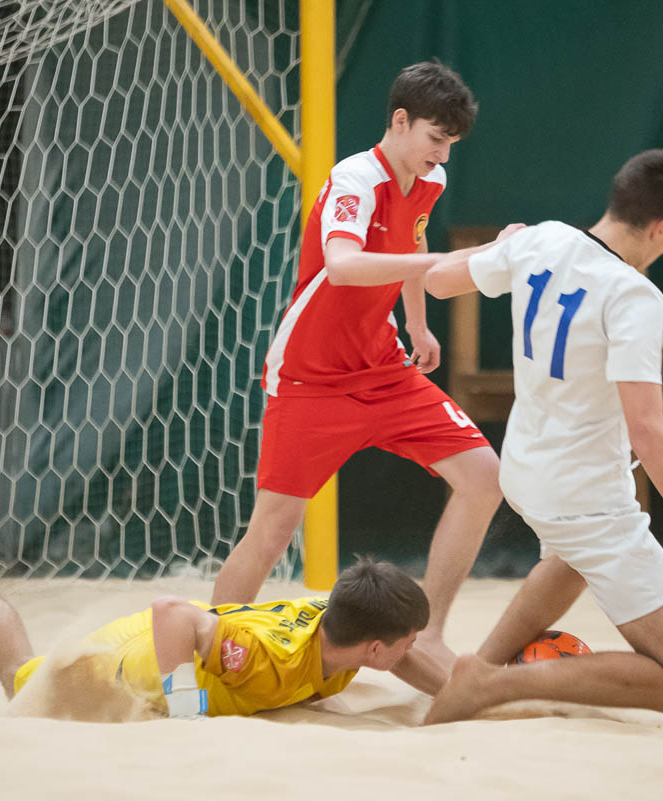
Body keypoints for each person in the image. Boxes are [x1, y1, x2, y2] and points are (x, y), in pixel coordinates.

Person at [420, 149, 663, 724]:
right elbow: (647, 429)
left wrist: (500, 247)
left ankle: (481, 668)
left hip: (524, 469)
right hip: (584, 496)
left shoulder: (541, 238)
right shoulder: (633, 296)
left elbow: (437, 281)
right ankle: (494, 684)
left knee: (570, 561)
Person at [210, 61, 500, 687]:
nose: (443, 153)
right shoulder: (355, 178)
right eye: (435, 137)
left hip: (384, 368)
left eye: (451, 142)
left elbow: (411, 247)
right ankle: (210, 656)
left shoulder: (430, 178)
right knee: (272, 530)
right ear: (400, 120)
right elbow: (342, 265)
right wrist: (451, 259)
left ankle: (431, 632)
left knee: (484, 478)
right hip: (312, 378)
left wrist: (417, 324)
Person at [0, 530, 428, 719]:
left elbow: (402, 651)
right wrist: (186, 709)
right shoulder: (266, 659)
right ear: (375, 649)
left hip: (174, 639)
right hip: (128, 667)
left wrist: (452, 693)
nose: (411, 650)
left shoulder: (341, 614)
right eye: (407, 643)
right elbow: (170, 611)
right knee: (19, 680)